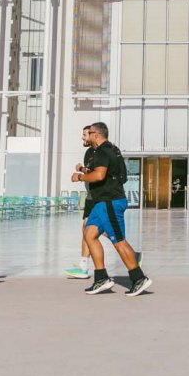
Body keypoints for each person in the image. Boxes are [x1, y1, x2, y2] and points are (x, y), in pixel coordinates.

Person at [71, 122, 151, 296]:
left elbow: (99, 175)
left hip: (110, 202)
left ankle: (138, 278)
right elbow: (122, 176)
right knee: (89, 234)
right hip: (103, 202)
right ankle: (101, 278)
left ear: (97, 134)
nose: (86, 136)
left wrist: (80, 176)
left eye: (89, 133)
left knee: (118, 240)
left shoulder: (102, 151)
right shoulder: (113, 150)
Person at [66, 125, 95, 280]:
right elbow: (91, 171)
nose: (82, 138)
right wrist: (83, 170)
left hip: (97, 197)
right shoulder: (89, 152)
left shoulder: (97, 152)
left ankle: (131, 254)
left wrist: (80, 173)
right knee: (86, 229)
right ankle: (83, 265)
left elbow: (98, 173)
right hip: (91, 197)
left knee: (90, 230)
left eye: (84, 134)